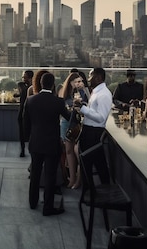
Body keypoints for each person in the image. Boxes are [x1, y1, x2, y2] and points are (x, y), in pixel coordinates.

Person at [24, 72, 70, 216]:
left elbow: (25, 123)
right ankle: (48, 208)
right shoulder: (58, 102)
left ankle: (32, 202)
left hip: (36, 142)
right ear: (53, 85)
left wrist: (29, 137)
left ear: (41, 84)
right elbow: (69, 118)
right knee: (50, 176)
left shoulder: (30, 100)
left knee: (35, 174)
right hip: (51, 144)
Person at [74, 67, 112, 185]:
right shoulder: (97, 92)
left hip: (94, 134)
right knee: (89, 163)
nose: (88, 79)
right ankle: (90, 193)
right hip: (88, 132)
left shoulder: (104, 95)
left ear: (98, 78)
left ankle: (99, 193)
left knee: (96, 163)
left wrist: (83, 108)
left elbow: (101, 117)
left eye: (91, 76)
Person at [58, 72, 89, 189]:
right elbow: (62, 108)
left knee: (78, 152)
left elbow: (89, 104)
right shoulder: (65, 93)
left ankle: (79, 180)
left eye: (80, 81)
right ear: (70, 83)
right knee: (69, 151)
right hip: (67, 123)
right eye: (76, 81)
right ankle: (72, 178)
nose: (78, 83)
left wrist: (84, 90)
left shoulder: (84, 92)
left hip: (79, 124)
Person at [13, 70, 33, 157]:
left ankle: (31, 149)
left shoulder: (33, 86)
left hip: (30, 112)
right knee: (21, 131)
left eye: (25, 77)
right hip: (22, 111)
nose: (23, 78)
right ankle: (22, 149)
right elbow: (24, 92)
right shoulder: (21, 84)